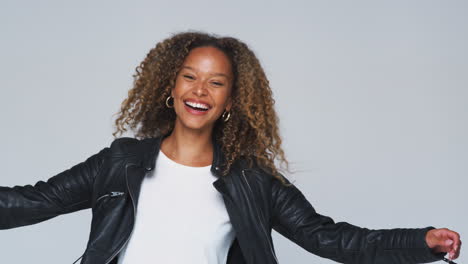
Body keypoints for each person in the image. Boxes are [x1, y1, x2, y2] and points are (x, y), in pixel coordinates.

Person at [0, 31, 462, 264]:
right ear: (171, 85)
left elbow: (331, 238)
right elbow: (33, 201)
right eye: (189, 76)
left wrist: (420, 243)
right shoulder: (121, 162)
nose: (199, 90)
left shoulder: (251, 179)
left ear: (229, 100)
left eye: (216, 82)